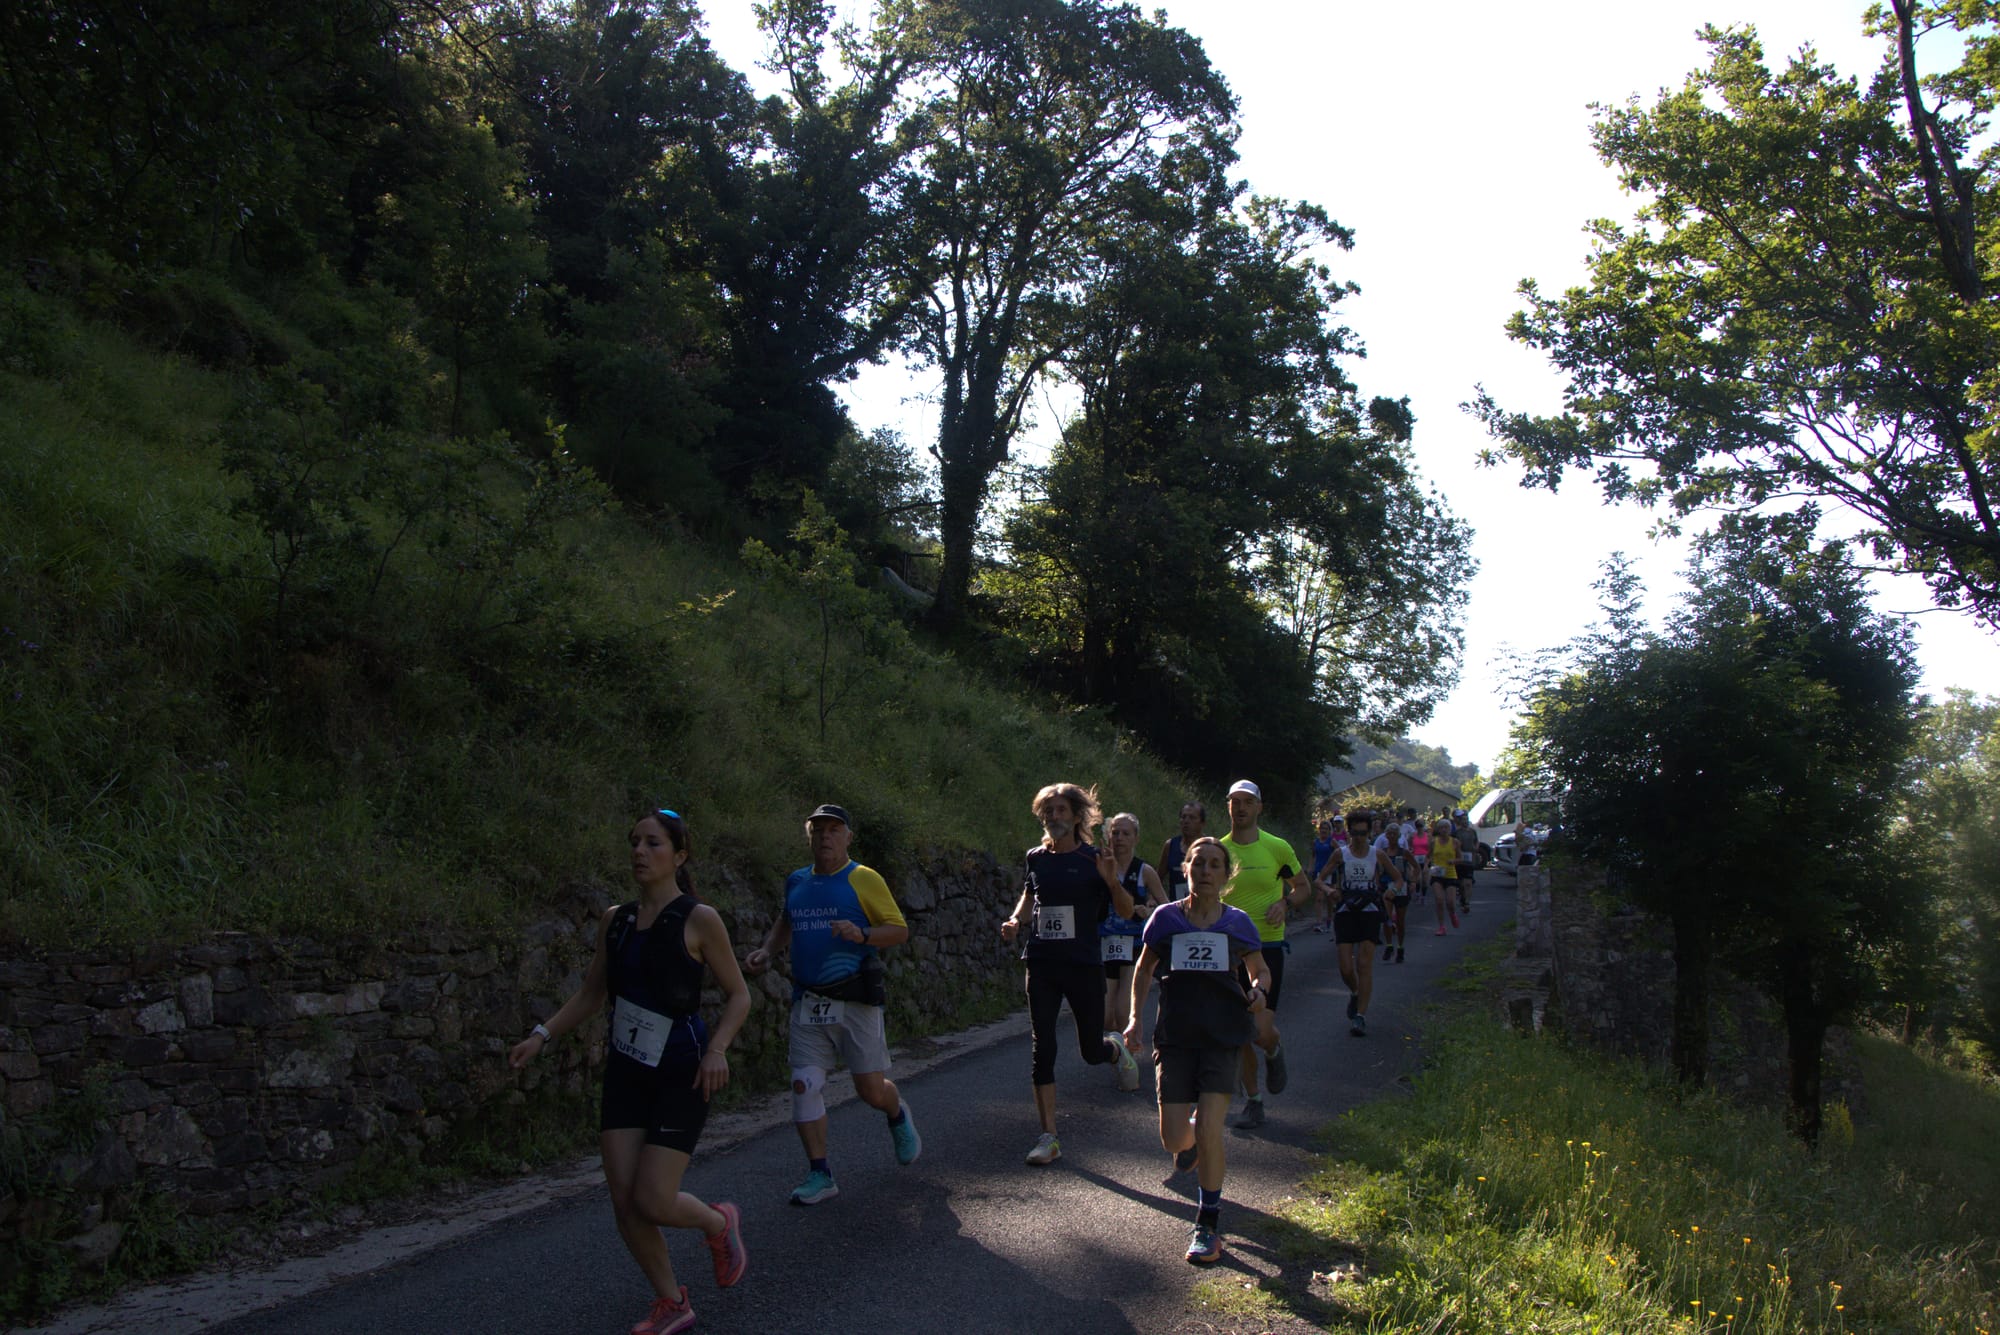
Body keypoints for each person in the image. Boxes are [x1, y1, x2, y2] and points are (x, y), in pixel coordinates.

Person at [510, 808, 751, 1335]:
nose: (640, 852)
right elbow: (592, 994)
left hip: (683, 1071)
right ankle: (673, 1302)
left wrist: (719, 1049)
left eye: (653, 844)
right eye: (635, 842)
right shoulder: (614, 920)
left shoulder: (698, 919)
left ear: (679, 855)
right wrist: (541, 1035)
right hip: (626, 1070)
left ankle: (717, 1221)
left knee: (653, 1198)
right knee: (624, 1201)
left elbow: (739, 995)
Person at [745, 804, 920, 1206]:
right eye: (817, 830)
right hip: (808, 1000)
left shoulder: (863, 879)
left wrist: (860, 934)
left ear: (848, 837)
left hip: (855, 998)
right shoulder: (797, 881)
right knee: (804, 1084)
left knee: (870, 1091)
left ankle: (896, 1113)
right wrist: (768, 951)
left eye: (833, 830)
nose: (825, 837)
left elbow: (899, 931)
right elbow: (786, 921)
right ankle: (820, 1173)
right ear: (809, 836)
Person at [1123, 836, 1271, 1265]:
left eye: (1214, 865)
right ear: (1185, 869)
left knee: (1210, 1128)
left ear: (1226, 876)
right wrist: (1134, 1018)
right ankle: (1188, 1135)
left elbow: (1259, 969)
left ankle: (1208, 1224)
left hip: (1224, 1035)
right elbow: (1144, 968)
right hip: (1176, 1037)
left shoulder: (1238, 923)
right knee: (1174, 1138)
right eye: (1198, 863)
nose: (1206, 871)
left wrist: (1259, 990)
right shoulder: (1166, 920)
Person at [1001, 782, 1139, 1164]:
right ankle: (1049, 1136)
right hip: (1043, 961)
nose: (1054, 817)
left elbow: (1126, 911)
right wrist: (1015, 921)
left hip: (1082, 964)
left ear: (1077, 816)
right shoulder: (1036, 858)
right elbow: (1030, 897)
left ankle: (1115, 1052)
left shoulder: (1095, 859)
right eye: (1048, 810)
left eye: (1061, 810)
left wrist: (1111, 881)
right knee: (1041, 1046)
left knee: (1090, 1051)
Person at [1217, 780, 1310, 1128]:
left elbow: (1303, 887)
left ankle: (1273, 1049)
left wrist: (1285, 903)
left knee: (1258, 1029)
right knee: (1238, 1030)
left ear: (1259, 807)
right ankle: (1254, 1100)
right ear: (1227, 806)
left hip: (1267, 947)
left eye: (1246, 803)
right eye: (1234, 802)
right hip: (1227, 951)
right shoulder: (1220, 851)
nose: (1239, 808)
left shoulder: (1277, 848)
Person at [1100, 811, 1165, 1068]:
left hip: (1135, 944)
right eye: (1115, 833)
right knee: (1105, 1017)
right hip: (1105, 943)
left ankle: (1128, 1060)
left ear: (1136, 838)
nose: (1119, 838)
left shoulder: (1144, 871)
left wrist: (1148, 911)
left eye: (1126, 833)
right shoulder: (1101, 865)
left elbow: (1165, 905)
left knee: (1122, 1011)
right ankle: (1122, 1052)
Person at [1333, 810, 1401, 1035]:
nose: (1359, 837)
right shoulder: (1341, 854)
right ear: (1349, 832)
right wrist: (1329, 890)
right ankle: (1354, 992)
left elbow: (1398, 878)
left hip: (1370, 910)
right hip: (1345, 910)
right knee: (1345, 967)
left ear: (1369, 832)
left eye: (1363, 832)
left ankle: (1360, 1016)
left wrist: (1391, 891)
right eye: (1355, 833)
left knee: (1363, 964)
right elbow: (1319, 879)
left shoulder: (1377, 854)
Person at [1157, 800, 1207, 900]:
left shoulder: (1210, 847)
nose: (1186, 821)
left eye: (1192, 818)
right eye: (1183, 817)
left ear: (1202, 823)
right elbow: (1157, 878)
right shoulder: (1170, 845)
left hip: (1204, 910)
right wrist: (1154, 899)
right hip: (1177, 910)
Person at [1429, 818, 1460, 932]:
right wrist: (1426, 867)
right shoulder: (1433, 842)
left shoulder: (1455, 842)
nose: (1444, 830)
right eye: (1441, 828)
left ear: (1450, 829)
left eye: (1446, 827)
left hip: (1450, 874)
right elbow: (1428, 856)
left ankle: (1452, 914)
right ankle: (1441, 926)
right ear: (1438, 829)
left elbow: (1460, 858)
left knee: (1450, 902)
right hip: (1437, 873)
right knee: (1439, 900)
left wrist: (1454, 861)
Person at [1308, 817, 1338, 934]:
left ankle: (1329, 919)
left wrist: (1334, 866)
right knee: (1319, 897)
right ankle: (1319, 922)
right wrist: (1311, 867)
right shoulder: (1315, 842)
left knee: (1330, 898)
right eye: (1322, 829)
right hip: (1319, 872)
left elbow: (1339, 854)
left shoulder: (1332, 841)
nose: (1323, 831)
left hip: (1329, 872)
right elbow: (1313, 856)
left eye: (1326, 829)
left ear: (1329, 830)